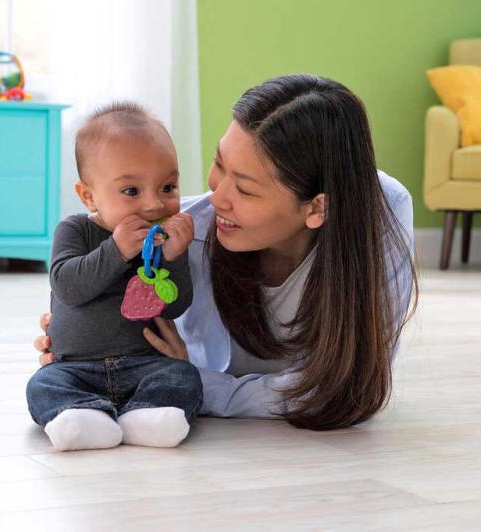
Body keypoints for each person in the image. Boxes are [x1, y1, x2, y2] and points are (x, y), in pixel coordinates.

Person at [35, 74, 418, 431]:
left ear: (317, 207)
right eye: (219, 164)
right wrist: (83, 343)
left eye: (245, 189)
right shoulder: (182, 232)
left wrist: (198, 385)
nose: (216, 199)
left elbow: (343, 388)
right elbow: (96, 286)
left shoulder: (380, 213)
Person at [26, 102, 202, 451]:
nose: (154, 205)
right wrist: (115, 250)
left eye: (168, 187)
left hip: (146, 366)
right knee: (42, 385)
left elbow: (175, 306)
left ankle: (147, 416)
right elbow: (67, 286)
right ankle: (81, 417)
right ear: (89, 196)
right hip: (75, 369)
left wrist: (175, 257)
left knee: (184, 376)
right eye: (132, 191)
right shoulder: (74, 230)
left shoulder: (165, 241)